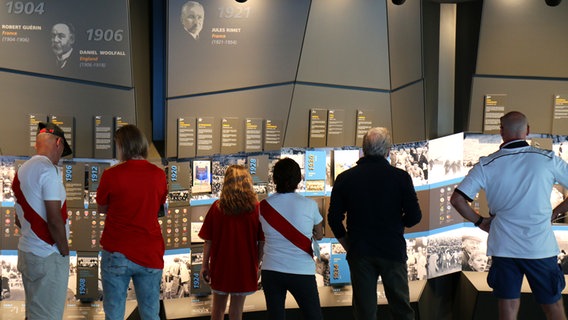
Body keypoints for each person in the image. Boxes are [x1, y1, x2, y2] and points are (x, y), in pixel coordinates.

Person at [450, 111, 568, 320]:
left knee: (508, 309)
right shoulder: (547, 159)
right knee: (554, 308)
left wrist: (480, 221)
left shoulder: (486, 165)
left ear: (501, 132)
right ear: (528, 130)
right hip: (540, 247)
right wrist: (554, 213)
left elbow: (457, 199)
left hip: (505, 247)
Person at [328, 127, 422, 320]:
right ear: (388, 150)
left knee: (364, 311)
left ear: (364, 148)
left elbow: (333, 218)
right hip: (392, 249)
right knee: (401, 308)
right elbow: (414, 216)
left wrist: (348, 243)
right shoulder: (400, 177)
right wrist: (397, 225)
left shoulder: (345, 178)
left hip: (360, 251)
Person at [96, 124, 168, 320]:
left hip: (117, 250)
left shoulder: (111, 175)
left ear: (123, 146)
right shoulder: (159, 175)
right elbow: (158, 207)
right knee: (150, 314)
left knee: (114, 313)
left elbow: (101, 208)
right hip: (149, 252)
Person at [12, 122, 72, 319]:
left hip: (28, 252)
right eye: (62, 150)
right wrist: (64, 251)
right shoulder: (49, 171)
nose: (60, 157)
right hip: (48, 256)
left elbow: (18, 218)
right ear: (58, 142)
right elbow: (54, 219)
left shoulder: (22, 170)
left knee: (34, 312)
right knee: (48, 316)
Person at [259, 157, 324, 320]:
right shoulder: (310, 205)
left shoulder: (263, 206)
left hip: (271, 270)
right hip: (302, 270)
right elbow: (319, 234)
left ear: (274, 179)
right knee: (313, 316)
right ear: (298, 179)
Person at [198, 165, 264, 320]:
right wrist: (258, 263)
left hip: (221, 266)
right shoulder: (256, 208)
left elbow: (208, 241)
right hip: (245, 267)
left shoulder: (217, 207)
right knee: (237, 311)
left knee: (217, 309)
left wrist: (204, 265)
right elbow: (262, 242)